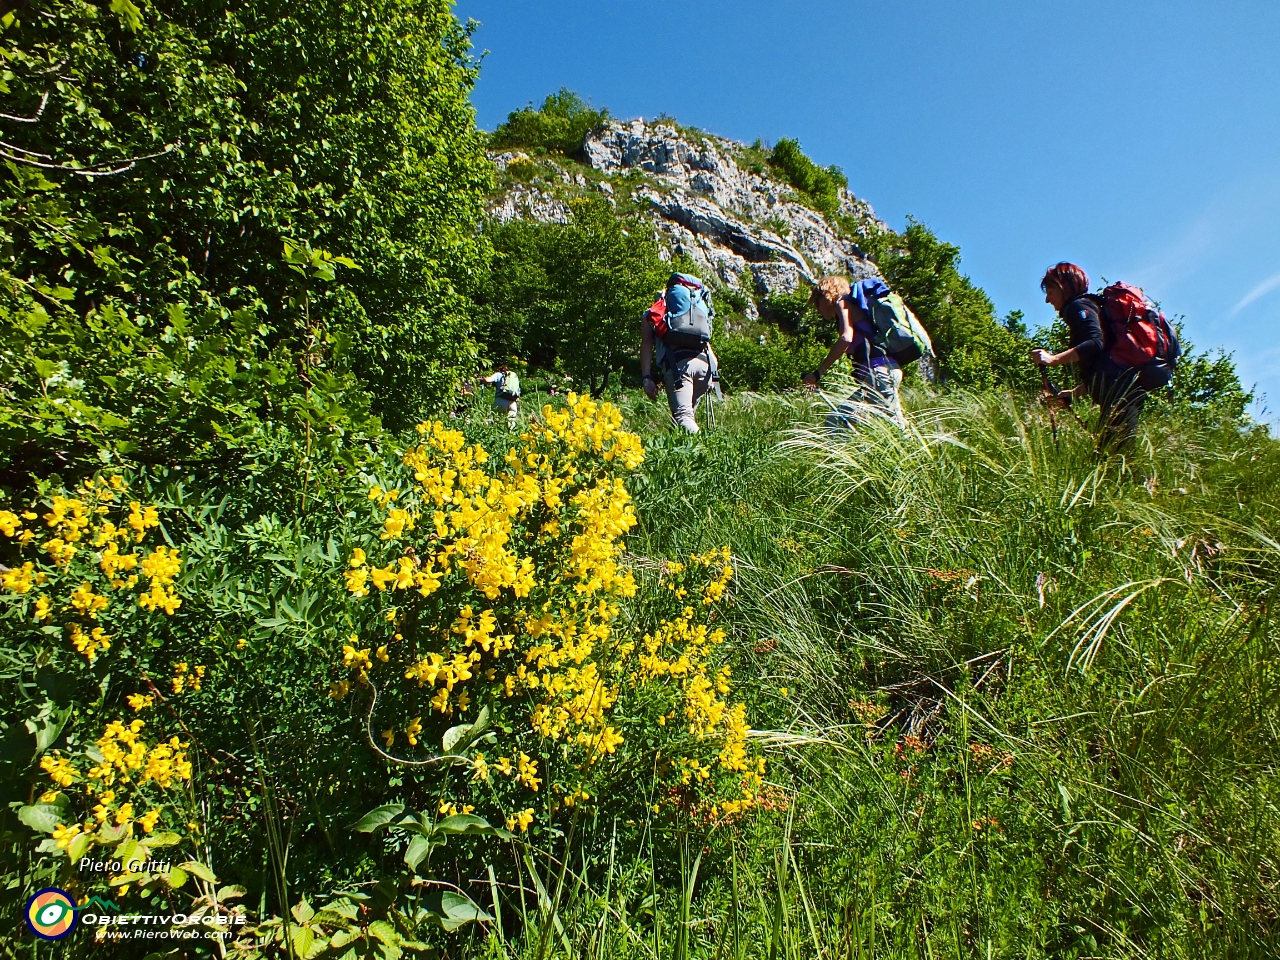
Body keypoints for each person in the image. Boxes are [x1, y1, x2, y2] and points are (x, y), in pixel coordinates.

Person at [1030, 262, 1146, 451]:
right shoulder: (1091, 306)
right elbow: (1105, 363)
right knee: (1110, 457)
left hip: (1120, 394)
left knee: (1112, 459)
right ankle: (1144, 481)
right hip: (1123, 391)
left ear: (1063, 288)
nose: (1048, 300)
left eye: (1050, 292)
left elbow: (1095, 343)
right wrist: (1074, 393)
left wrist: (1053, 359)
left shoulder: (1078, 306)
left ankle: (1145, 481)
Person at [802, 276, 906, 427]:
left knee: (895, 427)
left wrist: (818, 373)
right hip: (879, 376)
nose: (818, 310)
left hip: (879, 374)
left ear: (825, 296)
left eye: (817, 304)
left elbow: (846, 338)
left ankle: (912, 448)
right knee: (836, 422)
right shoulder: (853, 307)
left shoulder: (842, 303)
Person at [640, 274, 720, 433]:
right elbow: (707, 343)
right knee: (680, 419)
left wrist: (647, 377)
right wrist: (713, 375)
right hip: (707, 366)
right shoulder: (696, 310)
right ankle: (676, 453)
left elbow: (647, 344)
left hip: (679, 367)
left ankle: (709, 451)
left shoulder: (654, 312)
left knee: (683, 417)